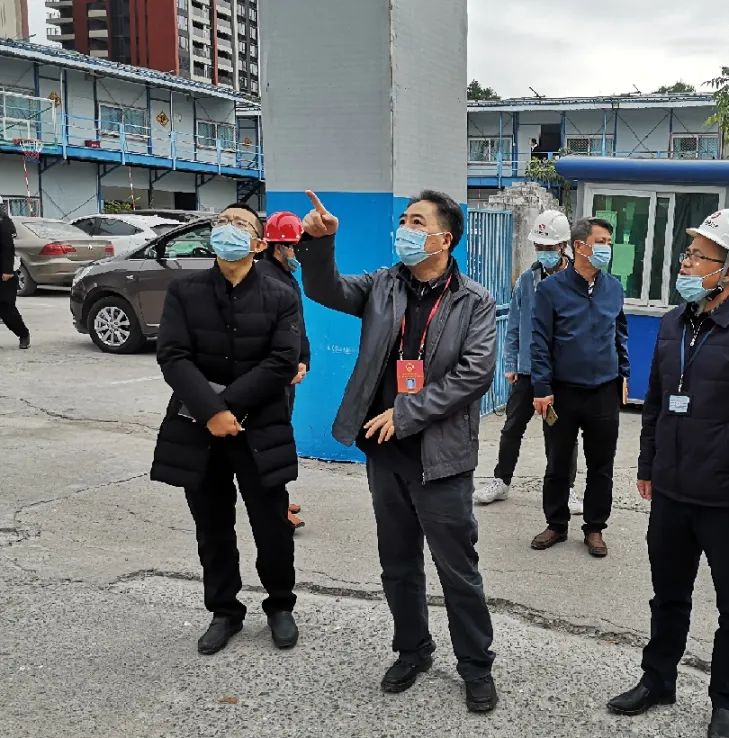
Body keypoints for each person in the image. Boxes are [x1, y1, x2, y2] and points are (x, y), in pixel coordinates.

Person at [296, 190, 499, 713]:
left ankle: (476, 666)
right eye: (404, 220)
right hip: (387, 455)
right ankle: (413, 650)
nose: (405, 228)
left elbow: (475, 373)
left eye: (417, 222)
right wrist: (319, 244)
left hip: (443, 458)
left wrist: (406, 412)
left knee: (458, 571)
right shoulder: (382, 284)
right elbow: (326, 288)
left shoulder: (474, 300)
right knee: (398, 564)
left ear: (444, 238)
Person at [606, 209, 729, 738]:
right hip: (670, 489)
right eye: (688, 253)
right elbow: (658, 402)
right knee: (667, 595)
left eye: (698, 256)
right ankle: (657, 679)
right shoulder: (673, 321)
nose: (686, 263)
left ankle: (727, 703)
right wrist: (648, 464)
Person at [150, 202, 302, 655]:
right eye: (223, 223)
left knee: (271, 523)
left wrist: (226, 407)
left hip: (261, 428)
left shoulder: (280, 293)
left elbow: (282, 360)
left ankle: (280, 605)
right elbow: (173, 355)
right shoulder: (185, 290)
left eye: (241, 225)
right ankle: (224, 610)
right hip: (199, 429)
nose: (229, 230)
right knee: (212, 525)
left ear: (259, 243)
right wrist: (209, 411)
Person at [530, 216, 629, 558]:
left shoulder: (614, 288)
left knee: (602, 465)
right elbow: (540, 342)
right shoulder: (550, 290)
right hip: (562, 392)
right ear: (580, 245)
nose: (607, 248)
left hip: (604, 390)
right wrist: (541, 387)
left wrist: (624, 377)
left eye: (608, 242)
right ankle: (556, 524)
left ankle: (595, 527)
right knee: (558, 463)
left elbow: (620, 335)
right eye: (601, 241)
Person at [474, 210, 581, 512]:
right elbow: (514, 326)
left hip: (561, 375)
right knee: (511, 429)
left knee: (560, 434)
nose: (543, 253)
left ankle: (566, 488)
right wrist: (510, 363)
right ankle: (501, 480)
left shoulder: (577, 280)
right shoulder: (526, 280)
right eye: (539, 247)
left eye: (549, 247)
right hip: (526, 371)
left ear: (563, 246)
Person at [256, 210, 312, 531]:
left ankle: (277, 496)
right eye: (293, 247)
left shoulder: (282, 274)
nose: (297, 253)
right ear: (278, 247)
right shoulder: (264, 278)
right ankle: (274, 511)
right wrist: (285, 367)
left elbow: (295, 328)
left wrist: (303, 360)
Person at [0, 197, 29, 350]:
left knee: (6, 309)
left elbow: (8, 249)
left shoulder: (4, 224)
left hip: (5, 273)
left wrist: (7, 271)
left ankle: (23, 334)